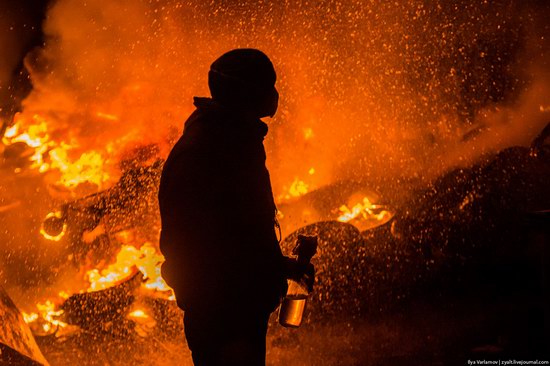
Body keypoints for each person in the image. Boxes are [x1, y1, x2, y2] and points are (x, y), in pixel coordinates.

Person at [158, 48, 313, 365]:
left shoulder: (233, 141)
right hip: (224, 313)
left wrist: (281, 266)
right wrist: (224, 303)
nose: (273, 96)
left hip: (237, 307)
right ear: (246, 93)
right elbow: (203, 247)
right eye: (266, 86)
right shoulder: (207, 151)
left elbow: (241, 233)